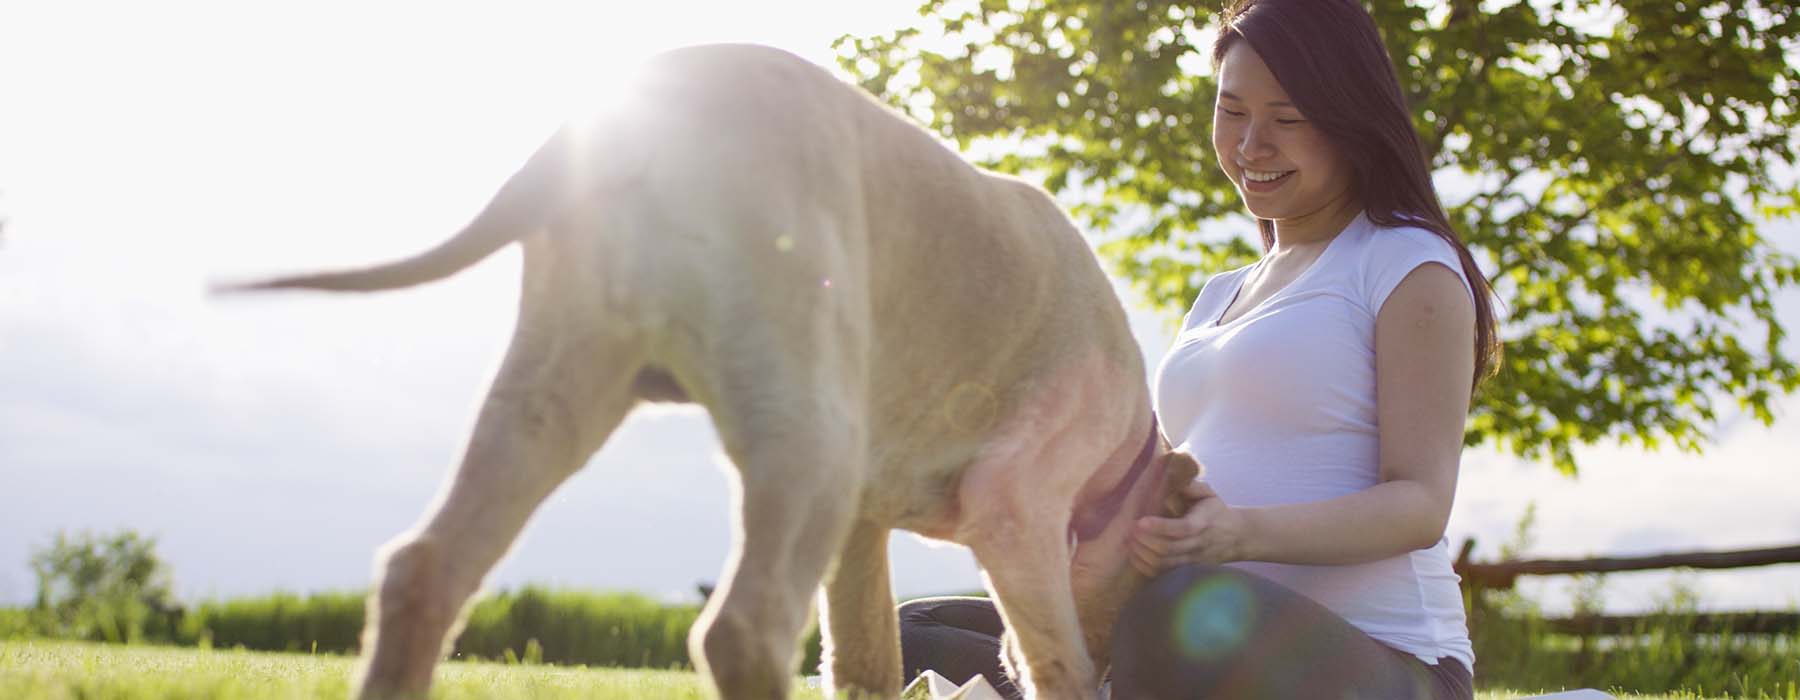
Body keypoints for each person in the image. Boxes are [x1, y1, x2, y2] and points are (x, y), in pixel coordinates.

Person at [897, 0, 1501, 698]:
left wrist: (1238, 536)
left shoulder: (1406, 264)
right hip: (1190, 630)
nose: (1251, 146)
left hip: (1384, 663)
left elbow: (1421, 504)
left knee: (1172, 618)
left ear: (1349, 119)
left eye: (1288, 119)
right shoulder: (1220, 296)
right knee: (919, 633)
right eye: (1233, 111)